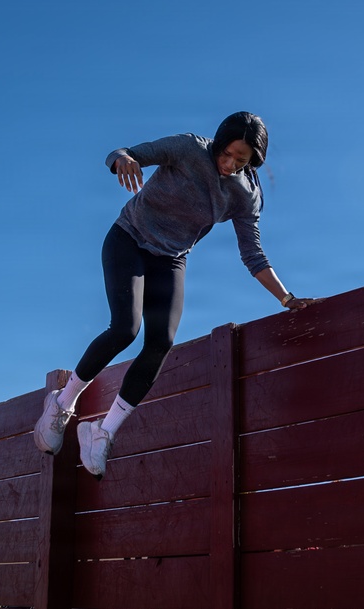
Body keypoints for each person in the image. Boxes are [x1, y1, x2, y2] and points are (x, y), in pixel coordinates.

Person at [33, 112, 312, 479]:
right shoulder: (188, 148)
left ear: (252, 162)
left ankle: (103, 431)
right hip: (129, 239)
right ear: (217, 142)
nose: (230, 164)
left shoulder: (245, 195)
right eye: (226, 154)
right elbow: (122, 153)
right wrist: (123, 160)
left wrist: (286, 298)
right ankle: (62, 402)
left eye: (241, 160)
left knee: (161, 341)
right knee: (125, 328)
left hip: (170, 258)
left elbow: (253, 254)